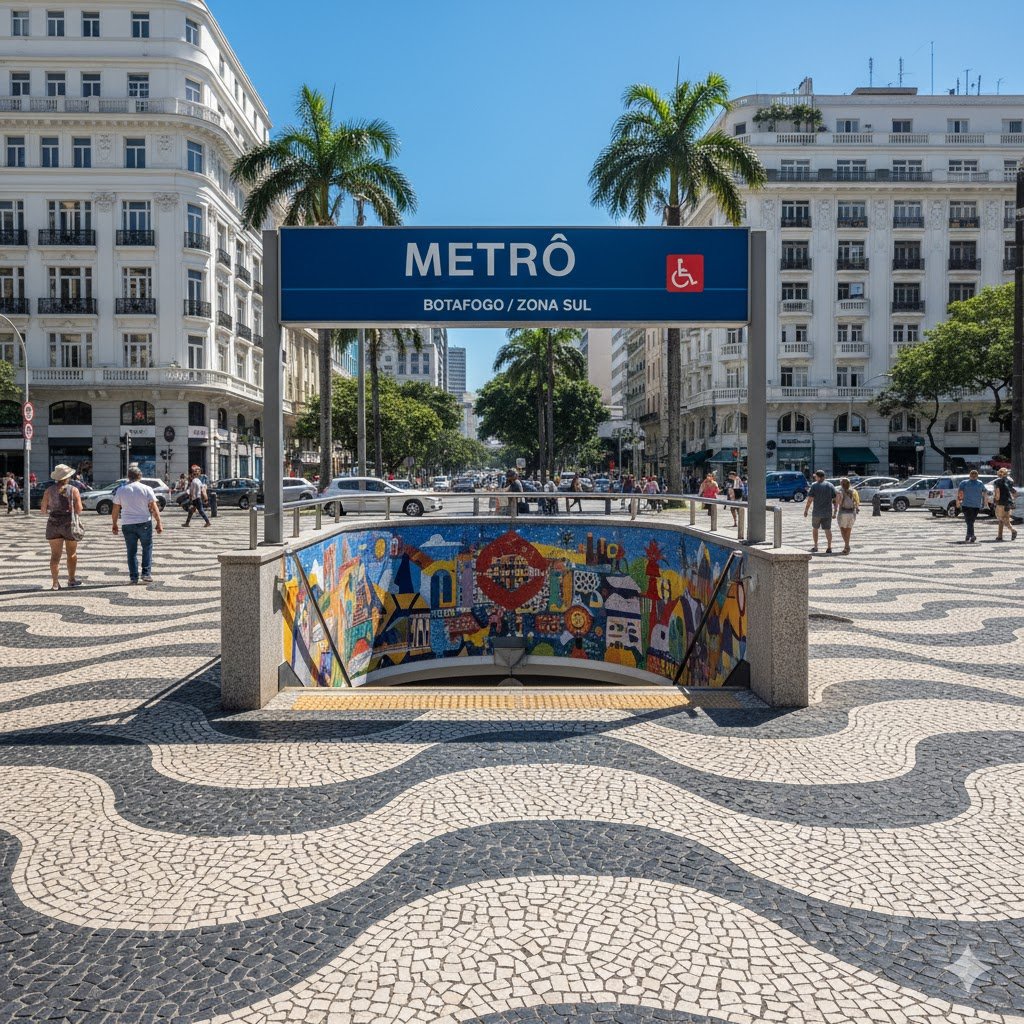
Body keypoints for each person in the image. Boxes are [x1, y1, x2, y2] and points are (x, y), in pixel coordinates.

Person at [112, 465, 164, 584]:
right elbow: (153, 507)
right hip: (144, 521)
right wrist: (159, 522)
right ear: (140, 476)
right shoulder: (146, 488)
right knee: (147, 548)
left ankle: (133, 577)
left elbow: (115, 509)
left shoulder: (121, 490)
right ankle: (146, 574)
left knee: (131, 551)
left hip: (127, 523)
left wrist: (114, 523)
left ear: (128, 477)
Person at [39, 464, 84, 590]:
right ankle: (71, 579)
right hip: (69, 525)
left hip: (53, 524)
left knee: (55, 555)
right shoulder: (73, 490)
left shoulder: (48, 490)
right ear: (68, 477)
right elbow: (79, 510)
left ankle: (55, 583)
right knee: (72, 554)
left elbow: (43, 510)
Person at [803, 470, 838, 554]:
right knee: (828, 529)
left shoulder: (814, 486)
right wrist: (835, 511)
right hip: (827, 512)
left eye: (815, 476)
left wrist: (806, 510)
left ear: (818, 477)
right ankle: (829, 547)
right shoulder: (830, 486)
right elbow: (834, 500)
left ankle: (815, 546)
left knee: (815, 528)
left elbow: (810, 500)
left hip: (817, 512)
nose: (815, 478)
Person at [955, 469, 987, 544]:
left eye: (974, 475)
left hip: (969, 504)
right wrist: (985, 503)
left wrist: (958, 502)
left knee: (969, 521)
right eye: (973, 475)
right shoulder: (979, 483)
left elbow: (960, 493)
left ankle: (970, 535)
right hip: (973, 505)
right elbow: (984, 492)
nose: (973, 476)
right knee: (970, 521)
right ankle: (970, 535)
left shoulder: (965, 483)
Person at [835, 477, 860, 554]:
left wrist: (834, 511)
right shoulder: (854, 491)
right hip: (852, 513)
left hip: (843, 512)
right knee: (849, 530)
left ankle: (847, 546)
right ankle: (847, 545)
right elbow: (857, 502)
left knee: (842, 529)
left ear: (841, 484)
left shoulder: (840, 492)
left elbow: (838, 503)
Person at [992, 467, 1018, 542]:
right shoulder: (1010, 481)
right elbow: (1014, 492)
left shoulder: (997, 482)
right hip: (1008, 503)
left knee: (1002, 518)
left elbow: (997, 493)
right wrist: (1012, 500)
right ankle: (999, 536)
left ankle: (1013, 530)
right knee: (1004, 519)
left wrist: (996, 500)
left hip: (1001, 503)